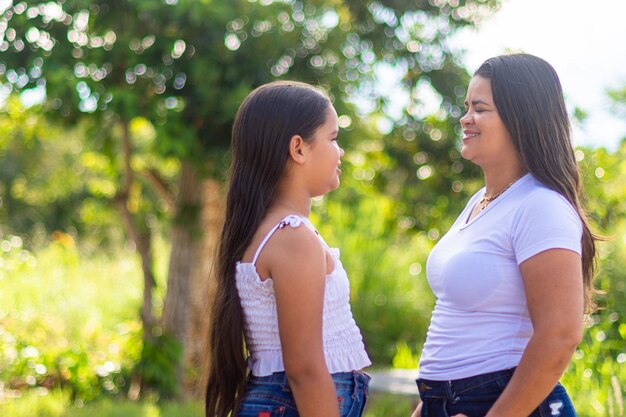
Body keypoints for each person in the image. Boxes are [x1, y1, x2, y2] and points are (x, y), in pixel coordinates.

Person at [411, 53, 598, 417]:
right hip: (448, 401)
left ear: (520, 119)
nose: (465, 118)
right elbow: (459, 321)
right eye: (466, 107)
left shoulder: (541, 205)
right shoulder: (480, 202)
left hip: (503, 402)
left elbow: (560, 335)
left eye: (480, 108)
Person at [205, 81, 371, 417]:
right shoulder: (293, 237)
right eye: (333, 138)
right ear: (298, 148)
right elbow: (305, 368)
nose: (340, 152)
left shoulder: (266, 230)